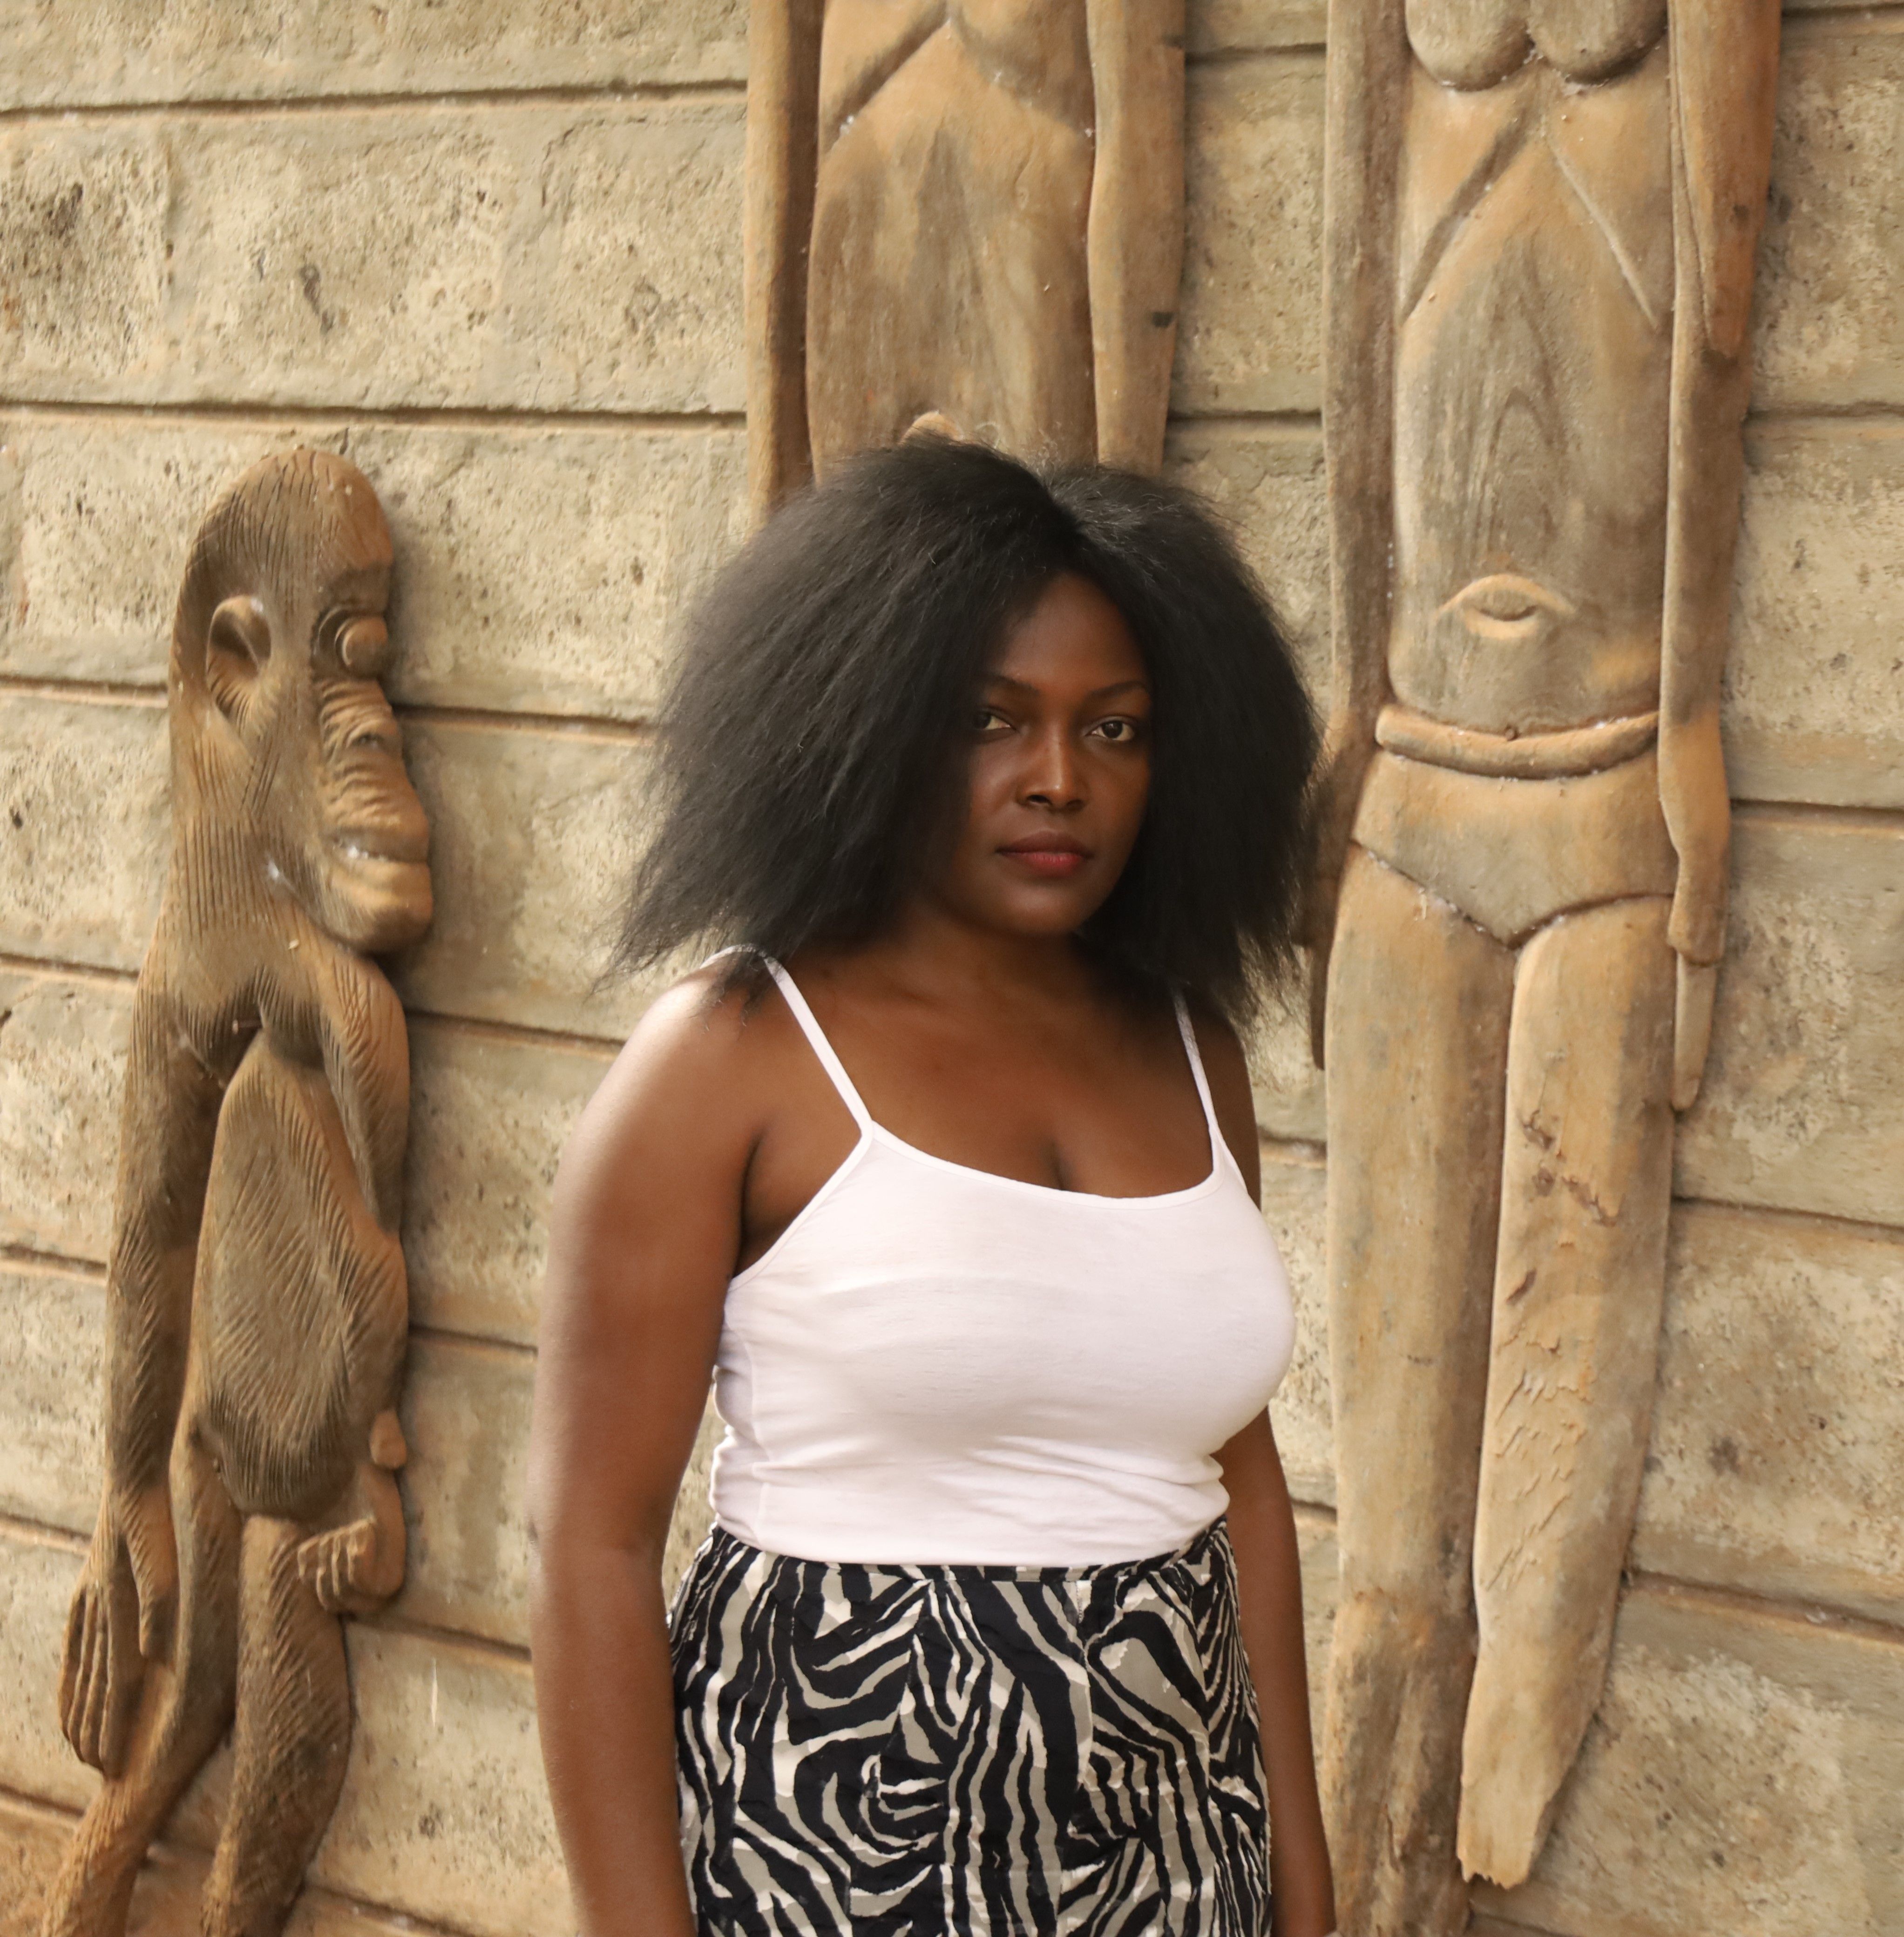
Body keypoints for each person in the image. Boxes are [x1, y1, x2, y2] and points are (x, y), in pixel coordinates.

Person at [526, 436, 1336, 1937]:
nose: (1057, 780)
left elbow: (1244, 1482)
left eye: (1115, 730)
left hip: (1173, 1842)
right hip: (845, 1832)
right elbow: (591, 1539)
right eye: (992, 720)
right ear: (875, 726)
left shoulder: (1188, 1046)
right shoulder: (732, 1058)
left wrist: (1300, 1871)